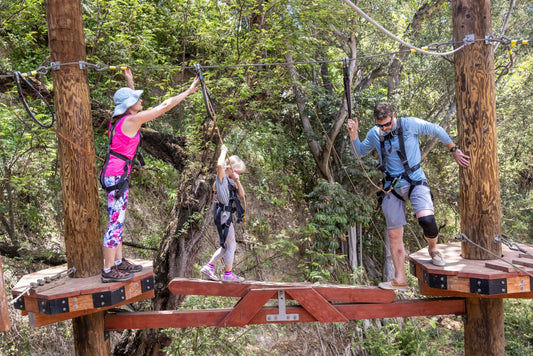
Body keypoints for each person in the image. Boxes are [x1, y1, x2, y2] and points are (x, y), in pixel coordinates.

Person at [346, 102, 470, 290]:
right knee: (394, 234)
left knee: (427, 219)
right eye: (380, 125)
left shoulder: (409, 124)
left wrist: (454, 150)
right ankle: (400, 279)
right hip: (391, 186)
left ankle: (433, 248)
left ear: (393, 116)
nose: (384, 128)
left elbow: (436, 130)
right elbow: (360, 153)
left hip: (415, 180)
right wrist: (353, 134)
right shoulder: (375, 133)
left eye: (387, 124)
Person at [99, 68, 199, 283]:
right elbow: (164, 106)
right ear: (129, 105)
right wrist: (188, 91)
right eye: (137, 99)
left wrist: (130, 82)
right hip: (116, 176)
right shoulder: (130, 122)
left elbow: (134, 108)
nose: (141, 101)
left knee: (118, 220)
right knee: (115, 222)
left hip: (116, 175)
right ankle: (108, 269)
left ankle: (117, 262)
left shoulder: (123, 119)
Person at [200, 144, 246, 282]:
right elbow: (220, 166)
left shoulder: (231, 181)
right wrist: (223, 152)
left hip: (226, 215)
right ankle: (228, 274)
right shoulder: (221, 179)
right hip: (223, 215)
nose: (238, 175)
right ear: (231, 169)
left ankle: (209, 266)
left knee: (226, 246)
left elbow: (242, 195)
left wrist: (238, 181)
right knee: (231, 245)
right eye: (237, 172)